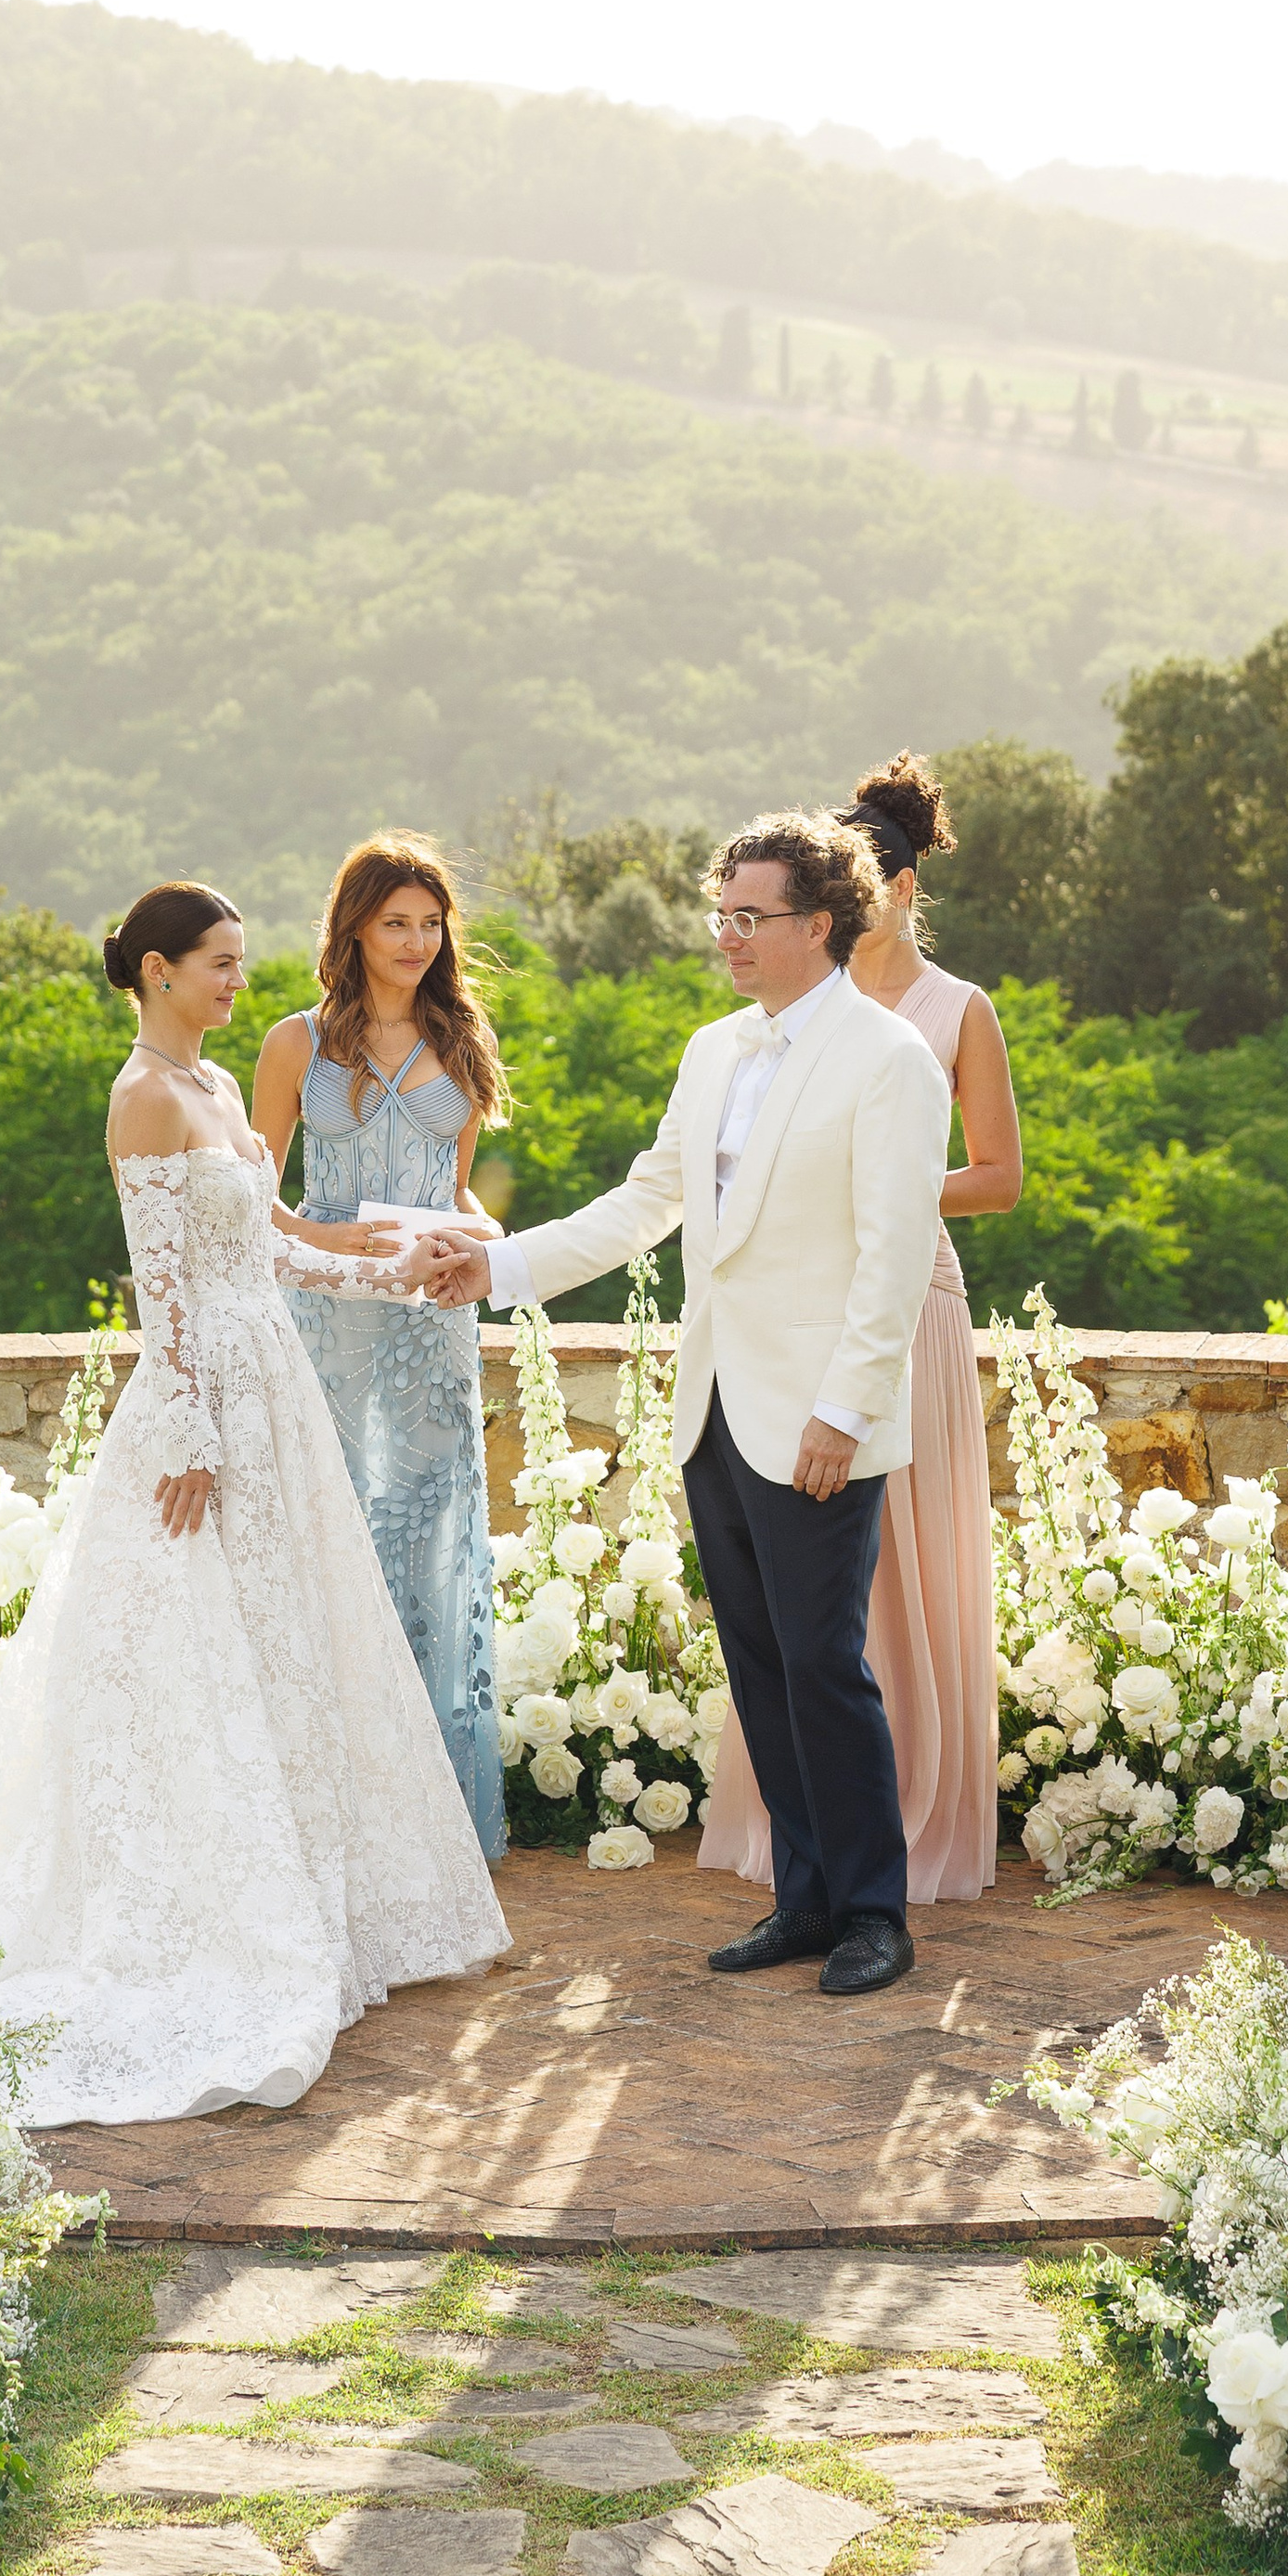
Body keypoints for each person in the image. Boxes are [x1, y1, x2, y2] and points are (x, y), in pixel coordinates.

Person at [0, 878, 510, 2124]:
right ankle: (202, 1911)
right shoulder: (145, 1097)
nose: (239, 982)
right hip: (205, 1411)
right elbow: (164, 1292)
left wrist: (404, 1269)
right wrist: (188, 1428)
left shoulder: (214, 1090)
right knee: (197, 1641)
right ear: (155, 972)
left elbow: (273, 1254)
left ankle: (315, 1892)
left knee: (287, 1642)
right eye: (219, 964)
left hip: (274, 1383)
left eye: (243, 962)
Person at [415, 812, 952, 1995]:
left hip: (818, 1416)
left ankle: (875, 1914)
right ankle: (803, 1899)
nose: (727, 938)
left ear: (821, 924)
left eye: (749, 917)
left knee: (825, 1664)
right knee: (759, 1664)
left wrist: (846, 1411)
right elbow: (643, 1201)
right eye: (722, 915)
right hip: (714, 1406)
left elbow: (894, 1255)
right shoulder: (714, 1051)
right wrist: (495, 1272)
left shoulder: (890, 1061)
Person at [699, 753, 1019, 1903]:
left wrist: (871, 1187)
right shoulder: (757, 1029)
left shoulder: (947, 1014)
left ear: (901, 888)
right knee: (799, 1613)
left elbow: (997, 1178)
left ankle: (897, 1850)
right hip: (775, 1329)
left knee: (898, 1578)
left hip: (902, 1305)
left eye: (881, 878)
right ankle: (805, 1864)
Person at [252, 835, 509, 1860]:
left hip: (432, 1320)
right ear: (353, 926)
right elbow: (247, 1199)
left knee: (430, 1534)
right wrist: (324, 1241)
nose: (415, 941)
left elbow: (457, 1199)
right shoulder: (296, 1044)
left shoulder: (462, 1038)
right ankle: (337, 1802)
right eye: (395, 921)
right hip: (324, 1316)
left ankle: (433, 1811)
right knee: (337, 1527)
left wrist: (484, 1241)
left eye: (430, 922)